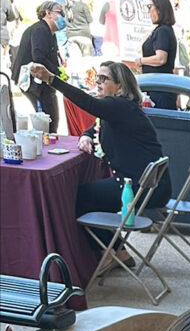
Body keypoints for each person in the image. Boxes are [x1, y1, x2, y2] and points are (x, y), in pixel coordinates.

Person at [30, 61, 172, 225]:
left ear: (120, 86)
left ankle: (114, 250)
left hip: (141, 188)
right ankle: (112, 248)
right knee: (93, 195)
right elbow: (95, 126)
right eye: (97, 77)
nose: (98, 82)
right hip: (147, 186)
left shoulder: (119, 105)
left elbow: (90, 104)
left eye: (103, 79)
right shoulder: (122, 108)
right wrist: (86, 136)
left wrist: (51, 79)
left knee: (81, 197)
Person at [11, 1, 62, 131]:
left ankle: (49, 138)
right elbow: (38, 57)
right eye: (59, 12)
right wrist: (57, 71)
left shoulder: (50, 32)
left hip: (42, 80)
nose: (63, 16)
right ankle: (46, 143)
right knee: (47, 118)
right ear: (48, 13)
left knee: (51, 116)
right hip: (32, 81)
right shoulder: (40, 29)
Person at [136, 0, 176, 111]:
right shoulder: (163, 30)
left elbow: (161, 58)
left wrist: (141, 61)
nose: (148, 11)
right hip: (158, 86)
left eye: (150, 7)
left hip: (159, 88)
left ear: (159, 9)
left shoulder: (163, 31)